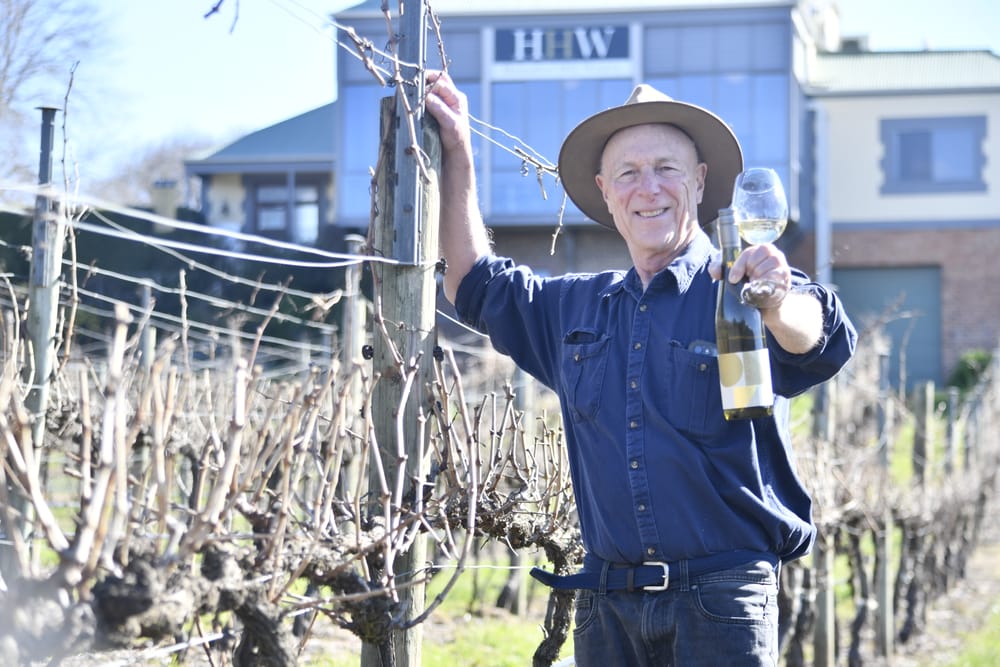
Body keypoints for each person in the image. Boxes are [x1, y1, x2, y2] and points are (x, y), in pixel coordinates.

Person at [424, 70, 856, 666]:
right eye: (629, 173)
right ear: (606, 191)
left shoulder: (740, 288)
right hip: (606, 608)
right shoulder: (575, 307)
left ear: (701, 181)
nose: (647, 188)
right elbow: (471, 281)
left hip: (722, 602)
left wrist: (777, 300)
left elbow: (822, 339)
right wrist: (458, 153)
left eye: (666, 168)